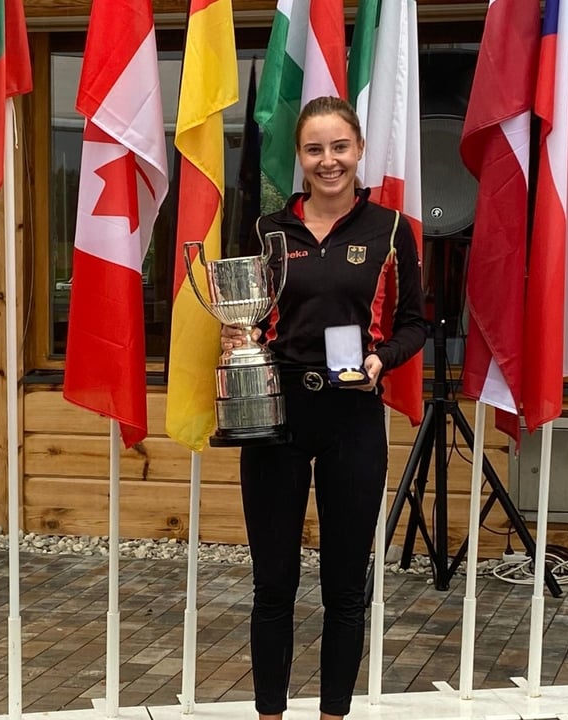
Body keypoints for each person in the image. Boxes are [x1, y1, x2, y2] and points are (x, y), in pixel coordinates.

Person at [221, 96, 427, 720]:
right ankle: (269, 714)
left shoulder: (391, 229)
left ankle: (334, 712)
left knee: (344, 587)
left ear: (359, 149)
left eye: (340, 146)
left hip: (353, 415)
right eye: (315, 149)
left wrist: (380, 360)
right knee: (273, 585)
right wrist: (238, 337)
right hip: (276, 416)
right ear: (301, 158)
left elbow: (415, 323)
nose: (328, 160)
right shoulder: (265, 230)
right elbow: (246, 313)